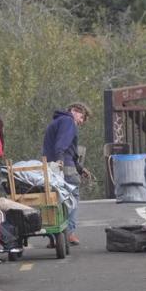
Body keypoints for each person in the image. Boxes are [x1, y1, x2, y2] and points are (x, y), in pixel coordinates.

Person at [42, 102, 92, 245]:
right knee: (72, 198)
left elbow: (67, 149)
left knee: (56, 201)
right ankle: (69, 232)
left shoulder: (57, 121)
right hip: (64, 167)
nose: (81, 122)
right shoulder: (68, 121)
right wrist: (60, 160)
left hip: (50, 167)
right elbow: (62, 145)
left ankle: (55, 236)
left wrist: (81, 169)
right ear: (74, 111)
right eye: (81, 118)